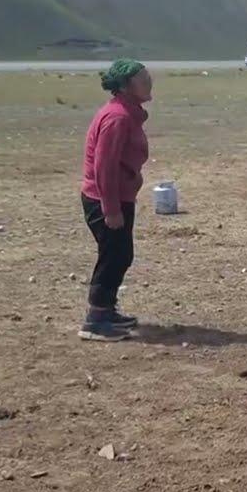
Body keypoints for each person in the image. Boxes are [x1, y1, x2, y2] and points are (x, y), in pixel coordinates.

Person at [79, 58, 152, 341]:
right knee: (115, 256)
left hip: (118, 196)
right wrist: (110, 209)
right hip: (105, 199)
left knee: (119, 254)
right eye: (142, 78)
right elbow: (104, 166)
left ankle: (106, 311)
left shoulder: (126, 113)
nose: (149, 81)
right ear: (125, 86)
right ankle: (96, 320)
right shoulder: (118, 117)